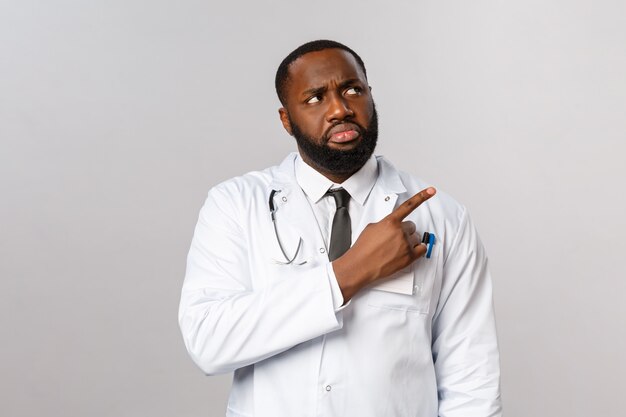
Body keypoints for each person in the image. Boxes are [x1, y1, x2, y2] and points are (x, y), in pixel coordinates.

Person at [179, 39, 502, 417]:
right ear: (287, 120)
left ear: (370, 96)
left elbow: (471, 378)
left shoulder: (443, 216)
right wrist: (350, 273)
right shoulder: (235, 204)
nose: (340, 109)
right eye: (315, 98)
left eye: (352, 90)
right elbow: (208, 342)